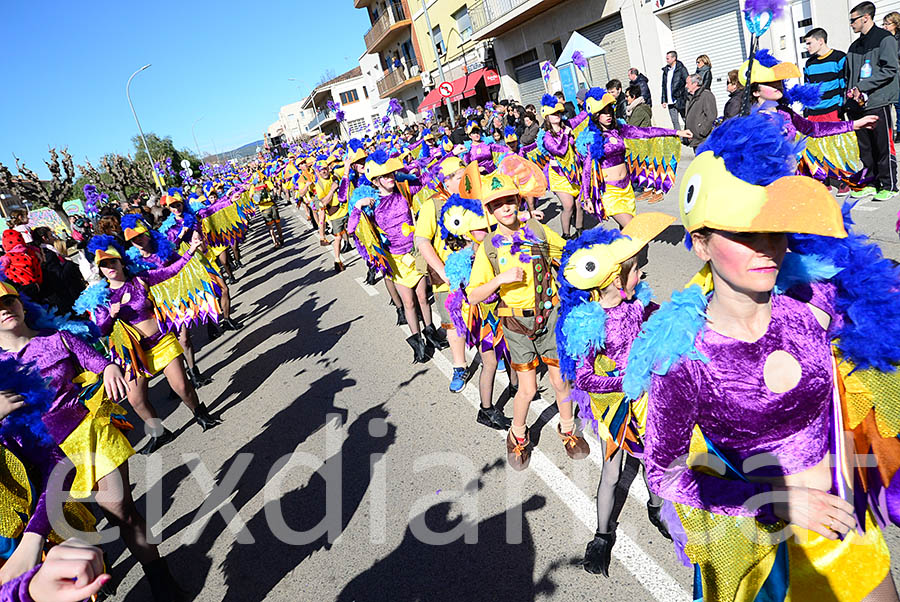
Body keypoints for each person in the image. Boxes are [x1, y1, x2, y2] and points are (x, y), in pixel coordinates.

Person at [629, 112, 900, 602]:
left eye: (774, 231)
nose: (765, 249)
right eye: (742, 235)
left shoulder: (812, 308)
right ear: (700, 245)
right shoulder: (685, 357)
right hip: (765, 558)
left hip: (848, 534)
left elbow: (883, 330)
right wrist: (777, 500)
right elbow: (664, 474)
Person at [554, 214, 676, 576]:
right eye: (636, 270)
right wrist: (624, 381)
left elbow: (661, 326)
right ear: (615, 279)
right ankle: (602, 533)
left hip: (648, 400)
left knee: (655, 459)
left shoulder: (637, 303)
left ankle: (657, 508)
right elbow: (585, 377)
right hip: (616, 411)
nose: (641, 276)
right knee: (612, 473)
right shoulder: (590, 321)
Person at [465, 168, 590, 471]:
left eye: (510, 200)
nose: (506, 207)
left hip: (549, 315)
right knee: (528, 388)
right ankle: (517, 433)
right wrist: (501, 279)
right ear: (490, 211)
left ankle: (568, 427)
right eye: (498, 204)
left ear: (519, 201)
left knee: (561, 381)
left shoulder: (537, 229)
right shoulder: (489, 247)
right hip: (516, 326)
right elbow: (472, 295)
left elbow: (567, 254)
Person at [576, 88, 691, 225]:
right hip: (610, 192)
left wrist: (676, 132)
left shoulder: (619, 129)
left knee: (627, 234)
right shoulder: (592, 137)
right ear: (595, 115)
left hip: (627, 188)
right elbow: (587, 169)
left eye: (609, 110)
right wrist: (587, 197)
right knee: (634, 229)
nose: (608, 115)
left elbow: (647, 132)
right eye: (603, 112)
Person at [847, 0, 900, 201]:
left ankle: (890, 185)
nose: (851, 24)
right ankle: (870, 183)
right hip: (858, 105)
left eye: (853, 20)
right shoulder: (855, 45)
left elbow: (889, 70)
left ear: (865, 18)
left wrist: (863, 87)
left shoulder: (885, 39)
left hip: (878, 101)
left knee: (883, 146)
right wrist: (851, 94)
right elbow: (851, 75)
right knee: (865, 147)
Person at [802, 28, 848, 121]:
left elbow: (844, 85)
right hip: (813, 113)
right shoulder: (809, 63)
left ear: (820, 41)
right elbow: (807, 88)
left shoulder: (839, 57)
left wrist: (841, 107)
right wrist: (806, 108)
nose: (807, 47)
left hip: (833, 111)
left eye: (809, 43)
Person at [683, 73, 717, 148]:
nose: (686, 86)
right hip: (694, 139)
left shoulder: (706, 95)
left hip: (702, 140)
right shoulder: (690, 97)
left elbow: (711, 116)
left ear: (695, 83)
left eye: (687, 83)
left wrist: (702, 131)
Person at [660, 50, 689, 130]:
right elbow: (664, 86)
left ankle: (690, 136)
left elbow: (688, 82)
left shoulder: (681, 69)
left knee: (685, 119)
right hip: (670, 101)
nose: (666, 60)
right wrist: (663, 100)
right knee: (674, 121)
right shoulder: (666, 71)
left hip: (679, 99)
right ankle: (679, 138)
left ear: (674, 58)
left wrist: (683, 95)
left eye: (668, 58)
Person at [883, 11, 900, 141]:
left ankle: (899, 130)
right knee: (890, 104)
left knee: (899, 104)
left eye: (887, 24)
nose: (885, 27)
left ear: (895, 24)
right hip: (890, 76)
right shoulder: (885, 39)